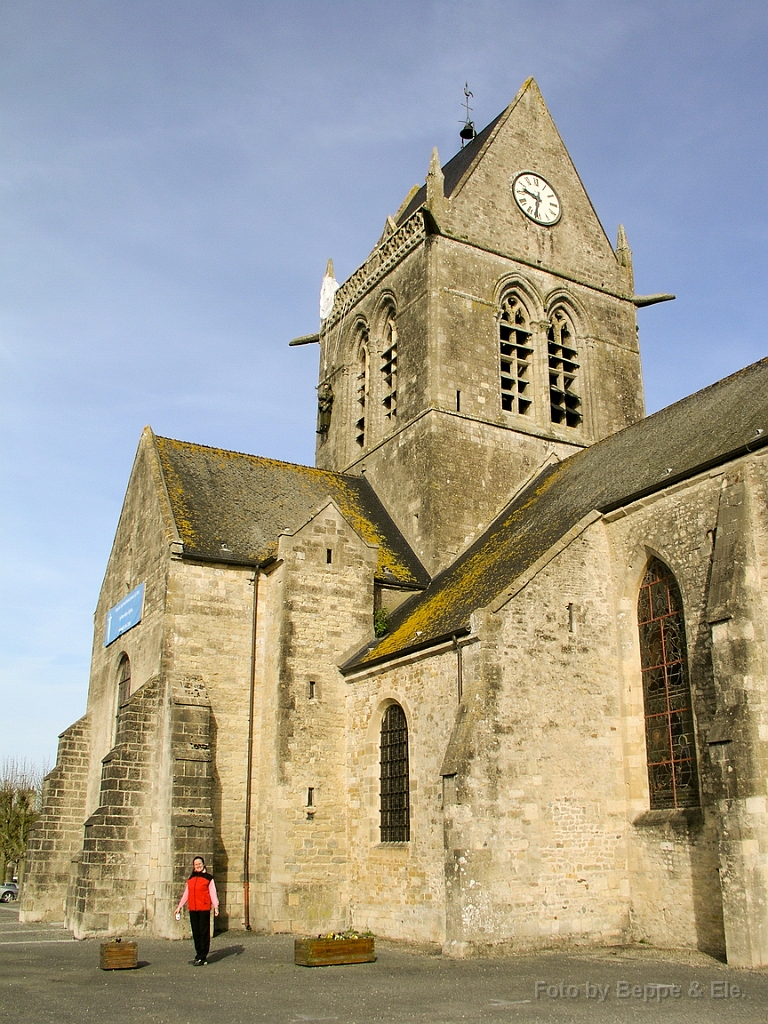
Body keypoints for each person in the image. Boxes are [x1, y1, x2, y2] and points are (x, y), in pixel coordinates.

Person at [175, 856, 219, 965]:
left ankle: (203, 956)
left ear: (203, 864)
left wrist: (216, 906)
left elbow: (213, 893)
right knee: (196, 932)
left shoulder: (208, 878)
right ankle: (198, 954)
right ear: (194, 866)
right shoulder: (191, 878)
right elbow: (187, 893)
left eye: (199, 864)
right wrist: (179, 906)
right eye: (196, 864)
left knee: (203, 932)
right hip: (193, 908)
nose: (198, 866)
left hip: (203, 908)